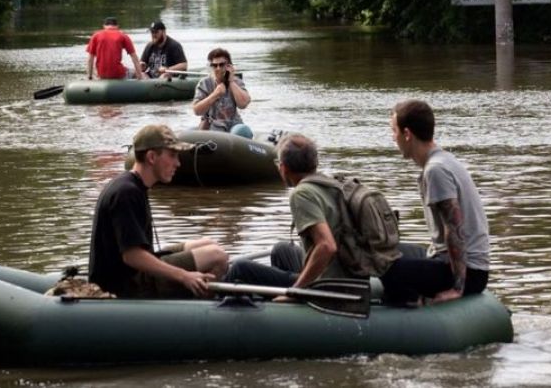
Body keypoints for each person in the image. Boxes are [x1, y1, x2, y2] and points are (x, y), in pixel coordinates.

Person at [88, 124, 229, 298]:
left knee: (208, 243)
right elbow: (132, 256)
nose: (178, 163)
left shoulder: (133, 185)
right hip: (126, 284)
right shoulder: (126, 192)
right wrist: (184, 276)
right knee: (217, 256)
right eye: (172, 155)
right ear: (152, 157)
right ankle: (204, 312)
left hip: (133, 272)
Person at [223, 134, 363, 299]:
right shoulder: (328, 183)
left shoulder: (302, 194)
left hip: (328, 283)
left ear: (283, 168)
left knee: (240, 269)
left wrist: (295, 292)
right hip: (346, 270)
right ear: (314, 164)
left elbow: (327, 246)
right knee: (282, 250)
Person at [388, 99, 490, 304]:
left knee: (389, 269)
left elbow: (454, 228)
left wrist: (457, 288)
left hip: (468, 273)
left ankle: (411, 312)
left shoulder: (436, 170)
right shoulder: (443, 160)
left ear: (407, 134)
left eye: (394, 131)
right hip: (459, 266)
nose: (393, 138)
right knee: (390, 253)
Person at [192, 48, 250, 131]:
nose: (218, 68)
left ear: (228, 66)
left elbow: (243, 104)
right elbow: (196, 111)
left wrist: (231, 82)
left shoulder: (237, 82)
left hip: (234, 124)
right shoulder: (204, 83)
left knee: (242, 130)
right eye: (215, 65)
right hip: (212, 125)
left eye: (221, 65)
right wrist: (215, 94)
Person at [86, 17, 144, 81]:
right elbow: (134, 58)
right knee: (137, 73)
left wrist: (90, 77)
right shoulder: (123, 36)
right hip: (118, 74)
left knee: (95, 70)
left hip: (101, 74)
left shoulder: (95, 36)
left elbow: (90, 59)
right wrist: (140, 77)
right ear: (117, 26)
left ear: (104, 26)